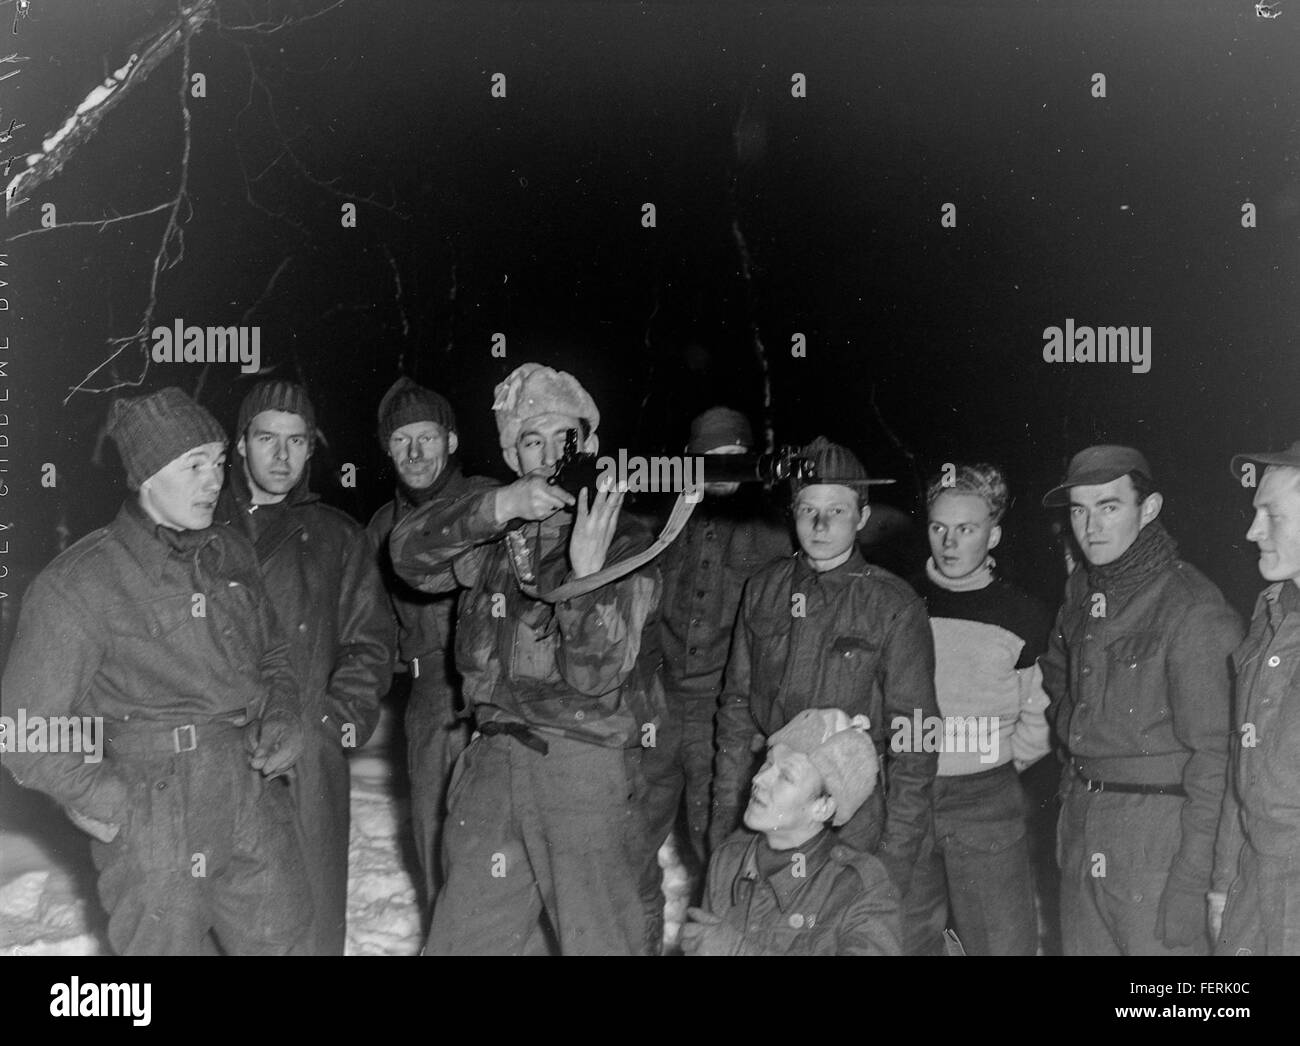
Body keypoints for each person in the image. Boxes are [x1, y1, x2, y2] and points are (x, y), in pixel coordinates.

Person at [0, 387, 311, 955]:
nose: (214, 481)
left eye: (218, 463)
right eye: (193, 465)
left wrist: (285, 714)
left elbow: (273, 656)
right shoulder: (80, 583)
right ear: (146, 475)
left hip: (251, 783)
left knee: (286, 943)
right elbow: (22, 729)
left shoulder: (230, 552)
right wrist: (106, 797)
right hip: (157, 805)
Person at [389, 362, 665, 956]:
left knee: (599, 942)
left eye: (563, 438)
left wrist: (587, 577)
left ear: (589, 445)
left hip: (580, 766)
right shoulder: (494, 530)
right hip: (491, 760)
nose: (547, 453)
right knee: (463, 941)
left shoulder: (624, 536)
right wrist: (498, 506)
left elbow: (597, 673)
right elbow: (409, 555)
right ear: (513, 458)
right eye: (529, 440)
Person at [711, 437, 940, 926]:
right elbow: (734, 714)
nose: (819, 525)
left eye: (836, 510)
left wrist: (892, 862)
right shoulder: (764, 589)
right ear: (791, 512)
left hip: (850, 819)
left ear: (862, 517)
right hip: (770, 802)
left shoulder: (891, 605)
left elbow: (916, 743)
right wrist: (725, 826)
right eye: (807, 509)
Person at [1039, 444, 1242, 956]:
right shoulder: (1081, 592)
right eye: (1079, 510)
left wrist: (1194, 881)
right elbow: (1062, 689)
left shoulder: (1191, 607)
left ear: (1147, 509)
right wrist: (1072, 787)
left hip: (1157, 838)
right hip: (1084, 821)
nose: (1090, 526)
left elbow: (1217, 759)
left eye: (1109, 507)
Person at [216, 380, 394, 954]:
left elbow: (369, 648)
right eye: (268, 438)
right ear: (241, 444)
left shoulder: (339, 538)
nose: (282, 456)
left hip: (306, 764)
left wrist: (327, 725)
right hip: (215, 752)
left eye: (296, 442)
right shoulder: (202, 526)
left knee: (310, 922)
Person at [903, 463, 1052, 955]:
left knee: (999, 941)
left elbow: (1038, 711)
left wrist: (999, 763)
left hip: (985, 798)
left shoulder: (1022, 614)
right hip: (907, 793)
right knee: (903, 936)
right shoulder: (899, 601)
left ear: (993, 536)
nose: (949, 542)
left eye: (965, 529)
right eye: (938, 527)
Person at [641, 407, 791, 880]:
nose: (725, 469)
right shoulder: (661, 524)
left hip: (724, 714)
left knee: (721, 848)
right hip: (657, 705)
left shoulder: (774, 533)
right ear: (689, 459)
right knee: (630, 848)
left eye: (736, 457)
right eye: (712, 457)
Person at [366, 376, 489, 920]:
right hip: (431, 697)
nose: (415, 452)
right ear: (388, 450)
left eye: (428, 437)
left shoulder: (491, 501)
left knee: (498, 837)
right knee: (433, 832)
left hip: (499, 689)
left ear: (452, 441)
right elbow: (372, 627)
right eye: (401, 440)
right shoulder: (381, 527)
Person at [683, 707, 900, 956]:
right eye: (768, 762)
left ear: (823, 807)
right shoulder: (729, 860)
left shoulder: (859, 885)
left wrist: (739, 951)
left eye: (785, 776)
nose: (759, 779)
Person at [1214, 441, 1300, 955]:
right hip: (1255, 875)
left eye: (1272, 515)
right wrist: (1223, 881)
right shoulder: (1270, 610)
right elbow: (1240, 764)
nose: (1252, 531)